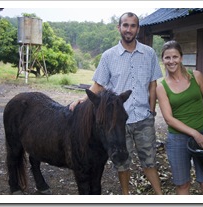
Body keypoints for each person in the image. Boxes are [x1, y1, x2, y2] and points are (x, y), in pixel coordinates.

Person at [69, 12, 163, 195]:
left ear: (138, 29)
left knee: (149, 160)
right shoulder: (108, 56)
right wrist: (83, 99)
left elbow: (153, 84)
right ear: (119, 27)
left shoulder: (149, 53)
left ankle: (160, 196)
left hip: (144, 118)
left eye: (133, 25)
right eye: (125, 25)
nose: (129, 29)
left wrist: (151, 112)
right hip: (117, 122)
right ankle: (125, 195)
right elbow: (98, 84)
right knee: (122, 163)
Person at [156, 40, 203, 195]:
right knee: (183, 185)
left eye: (175, 57)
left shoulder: (196, 76)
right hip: (178, 140)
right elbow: (169, 119)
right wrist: (194, 134)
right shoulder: (161, 86)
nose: (171, 61)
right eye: (167, 58)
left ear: (181, 58)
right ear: (163, 60)